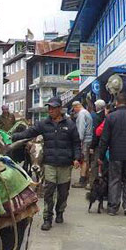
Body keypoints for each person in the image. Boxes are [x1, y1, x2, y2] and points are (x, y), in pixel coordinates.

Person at [11, 96, 80, 231]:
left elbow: (76, 143)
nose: (50, 110)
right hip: (49, 163)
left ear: (60, 109)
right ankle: (47, 218)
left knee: (63, 192)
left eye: (53, 108)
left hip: (65, 164)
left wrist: (77, 158)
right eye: (49, 108)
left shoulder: (70, 124)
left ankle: (60, 211)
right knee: (48, 191)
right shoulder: (44, 124)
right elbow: (29, 132)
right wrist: (14, 136)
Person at [72, 101, 93, 187]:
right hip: (89, 139)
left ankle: (82, 180)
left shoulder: (81, 114)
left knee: (84, 159)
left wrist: (79, 140)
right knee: (86, 159)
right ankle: (86, 178)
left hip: (84, 140)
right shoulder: (87, 113)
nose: (74, 111)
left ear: (76, 107)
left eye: (74, 109)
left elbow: (81, 128)